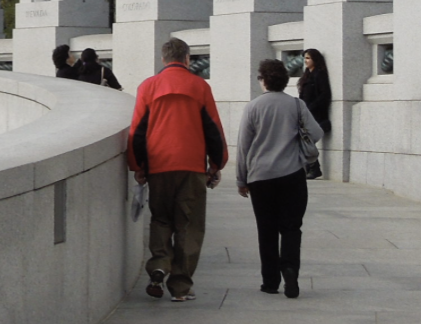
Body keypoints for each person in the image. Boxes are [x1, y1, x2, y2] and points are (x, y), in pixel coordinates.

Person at [128, 36, 228, 302]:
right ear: (187, 59)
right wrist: (217, 164)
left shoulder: (148, 87)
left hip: (159, 166)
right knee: (189, 225)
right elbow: (214, 130)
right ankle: (180, 287)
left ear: (163, 59)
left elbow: (137, 131)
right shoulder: (199, 86)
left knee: (161, 219)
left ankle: (160, 264)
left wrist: (138, 165)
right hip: (192, 167)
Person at [236, 59, 321, 298]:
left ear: (263, 80)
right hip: (292, 175)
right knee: (292, 227)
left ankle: (270, 282)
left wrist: (241, 179)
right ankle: (290, 269)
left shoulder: (253, 107)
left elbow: (244, 147)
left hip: (260, 178)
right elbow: (316, 132)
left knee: (267, 229)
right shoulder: (296, 105)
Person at [297, 48, 333, 138]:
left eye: (308, 58)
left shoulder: (320, 74)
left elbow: (325, 94)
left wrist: (311, 107)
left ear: (315, 59)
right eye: (305, 58)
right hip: (306, 113)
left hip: (315, 114)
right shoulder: (307, 74)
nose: (305, 61)